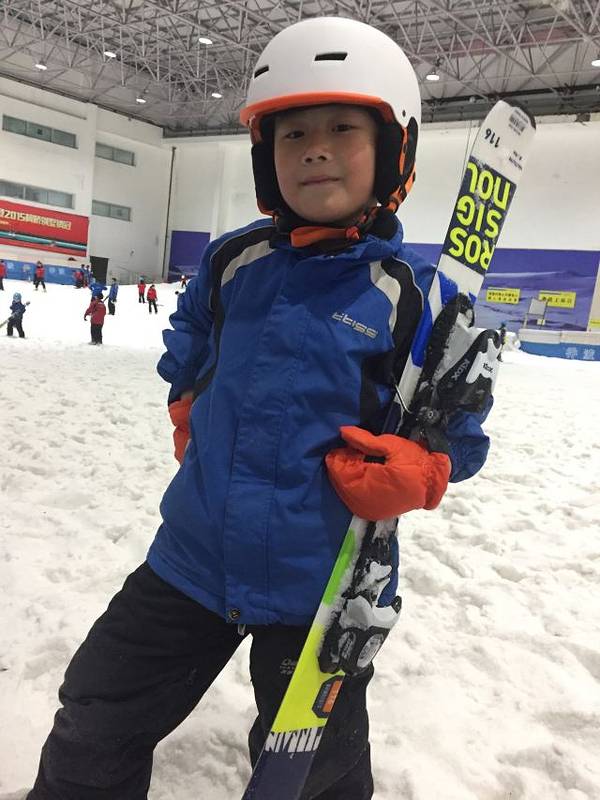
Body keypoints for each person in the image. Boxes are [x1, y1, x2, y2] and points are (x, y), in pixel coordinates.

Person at [25, 18, 493, 800]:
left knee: (314, 771)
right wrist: (186, 397)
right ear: (263, 156)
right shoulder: (232, 261)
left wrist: (422, 469)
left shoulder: (418, 300)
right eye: (293, 133)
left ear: (394, 149)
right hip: (195, 555)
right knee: (97, 713)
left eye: (342, 129)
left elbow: (460, 432)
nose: (314, 149)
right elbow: (192, 334)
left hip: (321, 585)